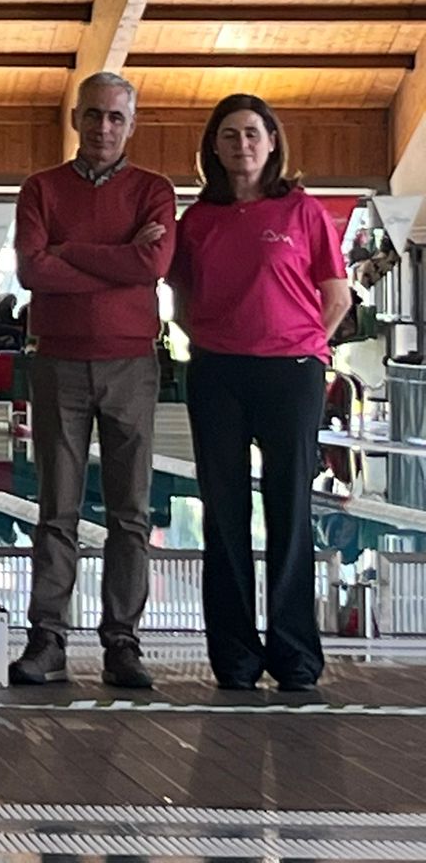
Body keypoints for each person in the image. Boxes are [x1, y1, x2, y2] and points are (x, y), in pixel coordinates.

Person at [169, 94, 351, 692]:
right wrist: (217, 341)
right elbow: (184, 300)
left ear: (272, 142)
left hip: (290, 373)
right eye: (230, 135)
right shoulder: (198, 221)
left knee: (288, 509)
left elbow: (336, 295)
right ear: (214, 148)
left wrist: (303, 344)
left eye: (252, 133)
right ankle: (235, 658)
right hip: (218, 373)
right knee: (223, 514)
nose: (242, 145)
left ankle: (295, 654)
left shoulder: (303, 211)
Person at [8, 72, 175, 690]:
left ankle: (122, 641)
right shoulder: (41, 188)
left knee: (131, 511)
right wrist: (118, 258)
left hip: (132, 363)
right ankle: (48, 638)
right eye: (94, 115)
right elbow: (32, 272)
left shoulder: (154, 190)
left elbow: (154, 263)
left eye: (115, 117)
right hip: (58, 362)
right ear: (76, 119)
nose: (103, 127)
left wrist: (68, 251)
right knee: (58, 509)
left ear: (131, 125)